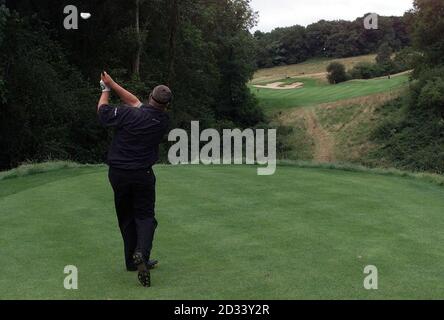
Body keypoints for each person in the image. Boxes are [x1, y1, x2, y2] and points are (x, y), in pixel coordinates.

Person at [97, 72, 171, 287]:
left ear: (150, 97)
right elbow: (135, 102)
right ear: (167, 104)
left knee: (126, 218)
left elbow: (102, 111)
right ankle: (142, 255)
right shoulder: (162, 120)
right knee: (146, 217)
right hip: (142, 175)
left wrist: (105, 90)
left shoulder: (127, 114)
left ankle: (132, 260)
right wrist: (113, 84)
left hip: (118, 174)